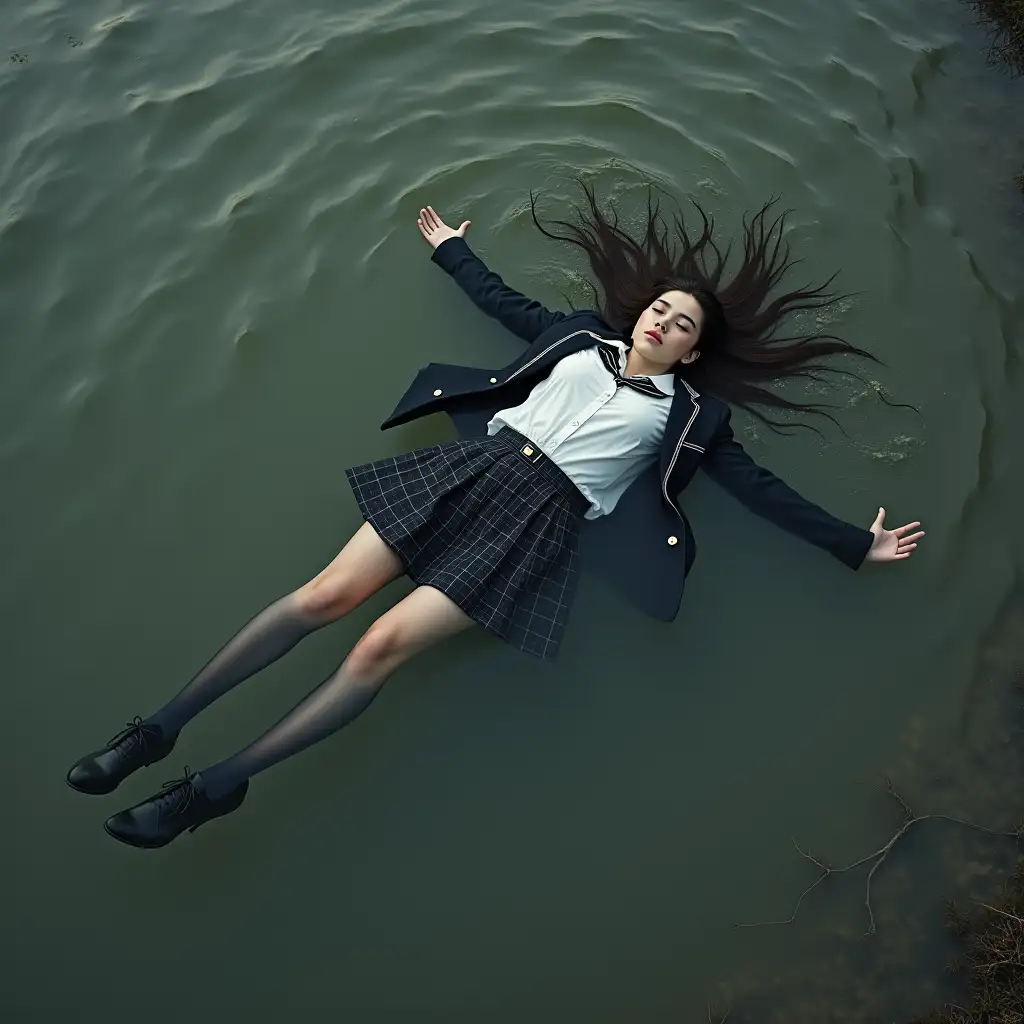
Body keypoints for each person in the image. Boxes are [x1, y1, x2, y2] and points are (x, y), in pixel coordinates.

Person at [66, 183, 924, 849]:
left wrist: (857, 543)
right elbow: (506, 306)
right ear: (642, 314)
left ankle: (214, 786)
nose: (665, 320)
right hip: (466, 474)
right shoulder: (579, 338)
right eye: (661, 307)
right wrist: (454, 254)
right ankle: (152, 733)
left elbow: (761, 492)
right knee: (325, 597)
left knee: (376, 649)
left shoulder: (695, 418)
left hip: (534, 525)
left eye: (683, 324)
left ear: (693, 351)